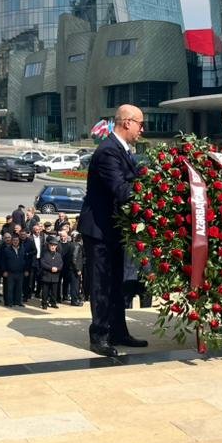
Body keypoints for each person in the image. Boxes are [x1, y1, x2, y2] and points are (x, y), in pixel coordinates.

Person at [78, 104, 149, 356]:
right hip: (99, 230)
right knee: (101, 284)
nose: (142, 129)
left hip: (114, 229)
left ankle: (118, 331)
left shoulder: (122, 149)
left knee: (116, 283)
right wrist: (153, 192)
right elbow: (121, 190)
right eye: (141, 123)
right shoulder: (108, 151)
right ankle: (100, 336)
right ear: (127, 122)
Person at [0, 234, 25, 307]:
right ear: (11, 241)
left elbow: (24, 260)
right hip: (9, 272)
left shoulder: (22, 249)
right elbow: (3, 261)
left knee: (19, 288)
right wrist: (4, 271)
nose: (15, 242)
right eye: (14, 240)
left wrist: (25, 269)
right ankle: (9, 302)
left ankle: (18, 302)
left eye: (17, 240)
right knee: (9, 289)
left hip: (20, 272)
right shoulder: (6, 250)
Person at [39, 238, 63, 309]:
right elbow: (42, 263)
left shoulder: (58, 255)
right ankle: (44, 303)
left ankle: (53, 302)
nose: (53, 247)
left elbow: (61, 264)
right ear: (49, 246)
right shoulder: (45, 254)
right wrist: (50, 268)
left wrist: (57, 269)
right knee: (45, 291)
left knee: (54, 291)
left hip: (55, 275)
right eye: (51, 245)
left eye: (54, 245)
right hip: (46, 275)